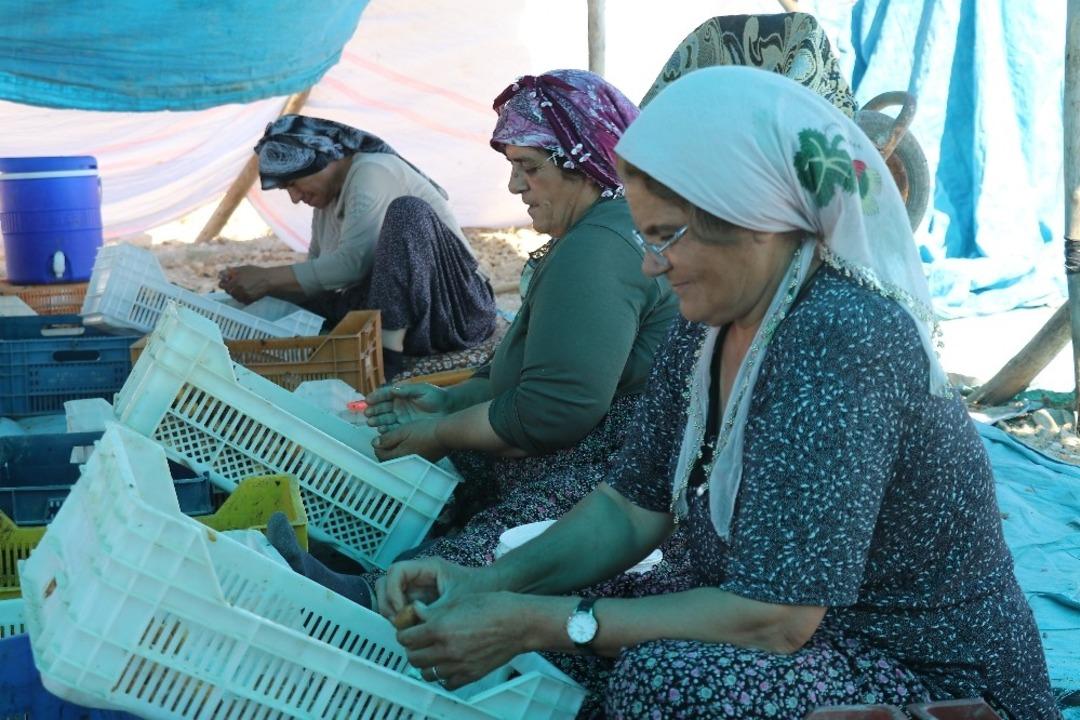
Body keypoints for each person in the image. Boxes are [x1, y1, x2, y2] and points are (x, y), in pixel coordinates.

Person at [373, 67, 1060, 719]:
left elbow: (779, 619)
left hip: (917, 670)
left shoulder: (841, 340)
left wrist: (545, 621)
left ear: (755, 216)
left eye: (666, 236)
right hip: (799, 627)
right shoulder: (710, 326)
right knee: (565, 603)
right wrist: (488, 586)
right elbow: (629, 509)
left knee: (664, 678)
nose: (650, 263)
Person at [265, 70, 682, 609]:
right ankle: (370, 561)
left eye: (528, 168)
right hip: (605, 439)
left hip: (627, 462)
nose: (514, 187)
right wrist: (451, 399)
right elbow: (534, 365)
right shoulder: (599, 231)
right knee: (454, 472)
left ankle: (373, 600)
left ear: (582, 165)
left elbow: (554, 411)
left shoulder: (598, 247)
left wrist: (440, 432)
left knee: (530, 524)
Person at [218, 115, 496, 377]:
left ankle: (387, 360)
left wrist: (267, 278)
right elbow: (320, 276)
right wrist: (257, 285)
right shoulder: (325, 200)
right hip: (399, 313)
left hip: (454, 310)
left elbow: (352, 265)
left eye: (293, 183)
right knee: (292, 294)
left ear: (324, 161)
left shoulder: (372, 171)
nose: (294, 197)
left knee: (407, 212)